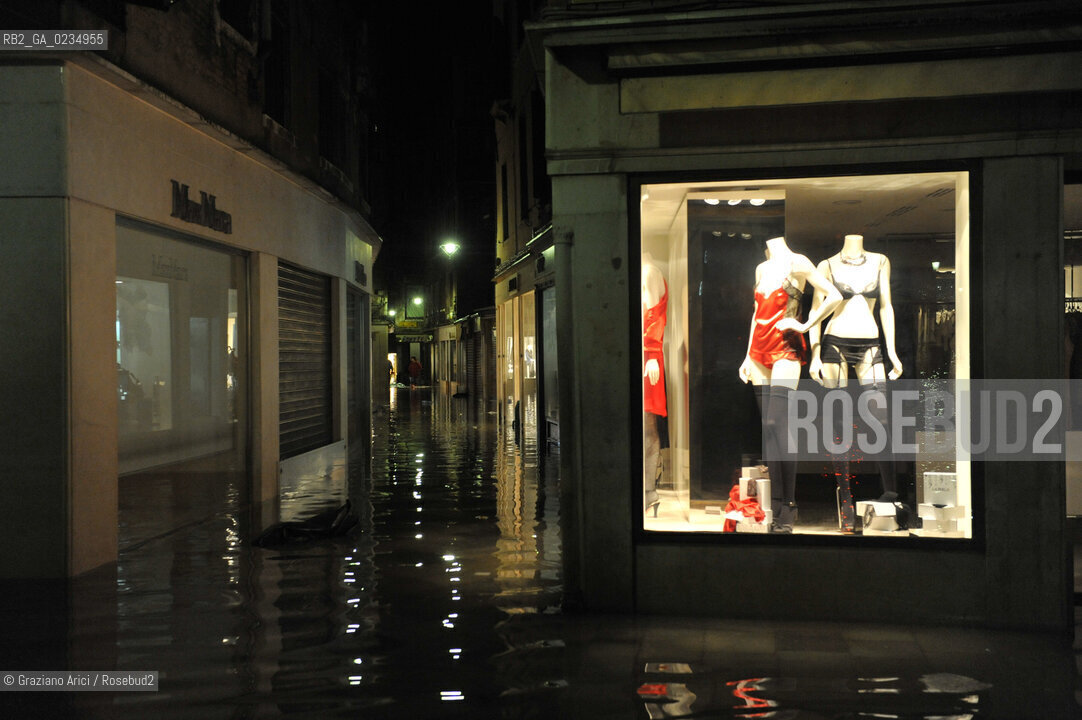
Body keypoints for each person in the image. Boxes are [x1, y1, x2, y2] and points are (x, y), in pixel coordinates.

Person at [739, 236, 842, 533]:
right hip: (759, 351)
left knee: (779, 423)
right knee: (768, 428)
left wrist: (805, 325)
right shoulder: (761, 268)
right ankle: (775, 502)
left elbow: (833, 296)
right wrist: (747, 355)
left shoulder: (799, 262)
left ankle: (790, 504)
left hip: (786, 348)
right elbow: (756, 314)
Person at [808, 233, 902, 533]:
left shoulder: (880, 261)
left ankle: (892, 494)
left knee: (881, 418)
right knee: (839, 423)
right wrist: (813, 355)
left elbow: (886, 306)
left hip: (871, 344)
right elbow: (816, 311)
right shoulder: (827, 266)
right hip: (834, 343)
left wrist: (892, 351)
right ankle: (845, 498)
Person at [642, 259, 668, 517]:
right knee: (644, 423)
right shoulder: (643, 272)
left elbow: (654, 314)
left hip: (648, 357)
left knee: (648, 423)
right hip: (645, 354)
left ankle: (649, 491)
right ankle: (648, 491)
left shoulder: (648, 271)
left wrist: (651, 353)